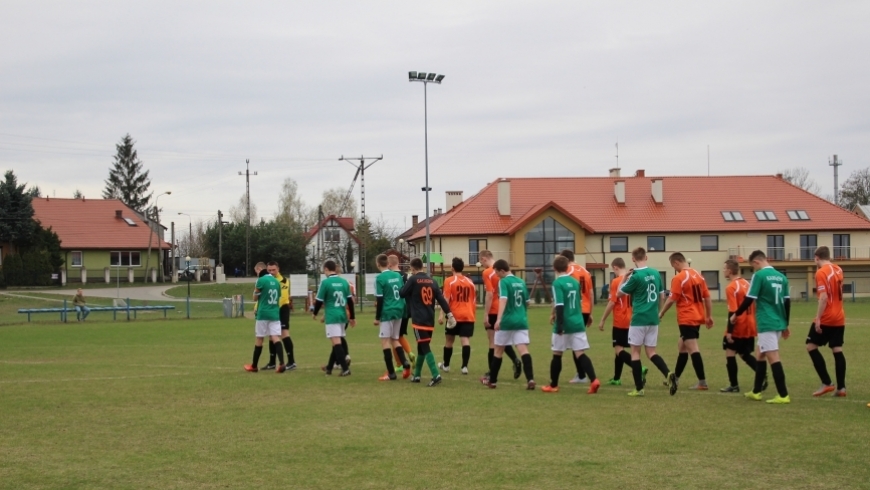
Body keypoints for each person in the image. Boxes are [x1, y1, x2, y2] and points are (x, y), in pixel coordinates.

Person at [730, 250, 791, 404]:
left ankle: (783, 395)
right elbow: (787, 302)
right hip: (778, 321)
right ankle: (756, 391)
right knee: (760, 354)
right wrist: (786, 323)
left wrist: (736, 314)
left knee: (773, 357)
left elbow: (749, 298)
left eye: (752, 266)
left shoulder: (759, 276)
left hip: (766, 322)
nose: (753, 270)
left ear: (756, 262)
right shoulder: (782, 277)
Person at [617, 247, 676, 397]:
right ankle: (668, 373)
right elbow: (662, 295)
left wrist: (624, 278)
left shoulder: (635, 276)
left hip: (639, 319)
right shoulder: (656, 273)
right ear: (646, 257)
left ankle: (639, 388)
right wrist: (659, 312)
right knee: (651, 352)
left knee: (635, 352)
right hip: (653, 318)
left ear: (633, 259)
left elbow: (619, 294)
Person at [542, 256, 600, 394]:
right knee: (580, 353)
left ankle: (553, 385)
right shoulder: (575, 282)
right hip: (578, 322)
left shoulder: (557, 283)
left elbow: (560, 305)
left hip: (565, 323)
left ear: (554, 269)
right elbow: (579, 302)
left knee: (557, 353)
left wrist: (560, 324)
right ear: (568, 268)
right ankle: (594, 380)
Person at [658, 252, 714, 390]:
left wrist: (662, 312)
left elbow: (671, 299)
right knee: (682, 346)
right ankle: (675, 378)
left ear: (676, 262)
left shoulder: (679, 278)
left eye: (673, 266)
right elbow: (707, 297)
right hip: (697, 316)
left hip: (687, 317)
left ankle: (702, 382)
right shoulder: (698, 275)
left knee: (693, 348)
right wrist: (708, 316)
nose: (674, 269)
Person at [399, 257, 456, 386]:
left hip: (419, 319)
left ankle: (436, 375)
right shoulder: (432, 281)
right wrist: (450, 314)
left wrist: (405, 281)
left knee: (424, 347)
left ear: (412, 268)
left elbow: (402, 293)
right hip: (430, 319)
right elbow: (441, 299)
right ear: (423, 267)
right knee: (421, 347)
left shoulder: (413, 279)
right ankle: (417, 374)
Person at [482, 259, 536, 390]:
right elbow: (527, 302)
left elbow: (503, 300)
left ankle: (493, 381)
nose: (496, 275)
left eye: (496, 272)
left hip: (507, 321)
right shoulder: (521, 282)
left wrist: (499, 319)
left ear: (502, 270)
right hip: (521, 320)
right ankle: (530, 379)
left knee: (498, 350)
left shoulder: (503, 282)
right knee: (523, 350)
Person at [807, 246, 847, 397]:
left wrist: (818, 319)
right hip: (840, 316)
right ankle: (841, 388)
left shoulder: (821, 272)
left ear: (816, 257)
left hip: (827, 316)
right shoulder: (838, 269)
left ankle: (827, 383)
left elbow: (823, 297)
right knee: (837, 349)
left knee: (810, 346)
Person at [720, 259, 762, 393]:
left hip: (739, 324)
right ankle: (761, 373)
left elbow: (733, 311)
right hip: (750, 324)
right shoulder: (747, 283)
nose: (723, 270)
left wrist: (729, 332)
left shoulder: (731, 287)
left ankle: (734, 385)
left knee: (730, 352)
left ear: (730, 271)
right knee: (744, 353)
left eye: (725, 268)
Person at [480, 250, 522, 382]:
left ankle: (491, 372)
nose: (481, 264)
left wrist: (485, 314)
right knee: (501, 339)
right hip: (505, 309)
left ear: (484, 259)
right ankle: (515, 360)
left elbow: (489, 294)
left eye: (481, 261)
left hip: (494, 309)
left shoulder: (487, 272)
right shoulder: (504, 271)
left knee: (493, 342)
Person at [312, 260, 354, 376]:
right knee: (336, 342)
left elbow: (319, 301)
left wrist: (314, 313)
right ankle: (329, 368)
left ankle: (345, 369)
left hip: (332, 316)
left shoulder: (325, 283)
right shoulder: (344, 282)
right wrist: (352, 317)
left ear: (326, 269)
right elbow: (350, 301)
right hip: (342, 315)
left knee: (336, 343)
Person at [597, 258, 634, 386]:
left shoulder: (617, 281)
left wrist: (602, 319)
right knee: (619, 349)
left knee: (619, 349)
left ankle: (638, 367)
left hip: (620, 319)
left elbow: (612, 302)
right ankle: (617, 378)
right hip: (631, 318)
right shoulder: (632, 279)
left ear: (615, 267)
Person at [560, 250, 594, 384]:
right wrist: (590, 312)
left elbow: (567, 291)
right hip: (585, 309)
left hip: (574, 309)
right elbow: (591, 293)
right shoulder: (586, 271)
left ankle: (582, 375)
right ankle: (581, 374)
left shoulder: (568, 270)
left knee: (574, 345)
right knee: (577, 344)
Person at [374, 254, 411, 381]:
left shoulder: (379, 278)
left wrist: (377, 317)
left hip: (388, 311)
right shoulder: (397, 275)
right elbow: (402, 293)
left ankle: (391, 373)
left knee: (385, 341)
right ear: (388, 263)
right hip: (399, 309)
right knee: (395, 339)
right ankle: (405, 363)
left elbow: (380, 298)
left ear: (378, 264)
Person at [244, 262, 286, 373]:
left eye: (256, 271)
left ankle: (254, 366)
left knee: (259, 338)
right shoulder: (276, 282)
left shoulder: (261, 280)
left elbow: (255, 298)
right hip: (275, 313)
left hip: (263, 313)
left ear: (259, 269)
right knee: (276, 338)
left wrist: (258, 292)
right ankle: (282, 363)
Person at [438, 257, 476, 375]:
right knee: (465, 340)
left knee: (449, 340)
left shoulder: (449, 281)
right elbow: (474, 300)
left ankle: (446, 365)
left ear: (452, 268)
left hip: (454, 315)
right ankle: (464, 367)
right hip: (468, 315)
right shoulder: (470, 282)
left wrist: (441, 314)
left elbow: (446, 299)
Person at [262, 261, 296, 371]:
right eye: (269, 270)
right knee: (272, 335)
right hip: (272, 310)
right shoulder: (267, 281)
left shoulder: (284, 281)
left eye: (273, 270)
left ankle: (291, 361)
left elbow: (282, 298)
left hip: (282, 309)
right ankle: (272, 362)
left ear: (278, 269)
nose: (271, 272)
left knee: (284, 333)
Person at [388, 255, 415, 369]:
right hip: (406, 308)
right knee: (399, 335)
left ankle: (400, 362)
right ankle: (408, 354)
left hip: (395, 309)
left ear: (389, 264)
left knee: (394, 337)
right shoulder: (406, 276)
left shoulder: (389, 276)